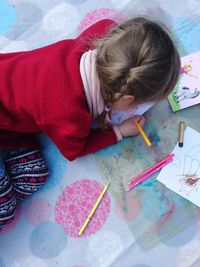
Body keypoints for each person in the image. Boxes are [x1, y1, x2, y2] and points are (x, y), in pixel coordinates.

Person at [0, 17, 180, 230]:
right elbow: (75, 150)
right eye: (142, 104)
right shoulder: (69, 115)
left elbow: (115, 29)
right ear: (127, 100)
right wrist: (118, 132)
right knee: (10, 204)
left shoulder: (102, 36)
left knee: (31, 170)